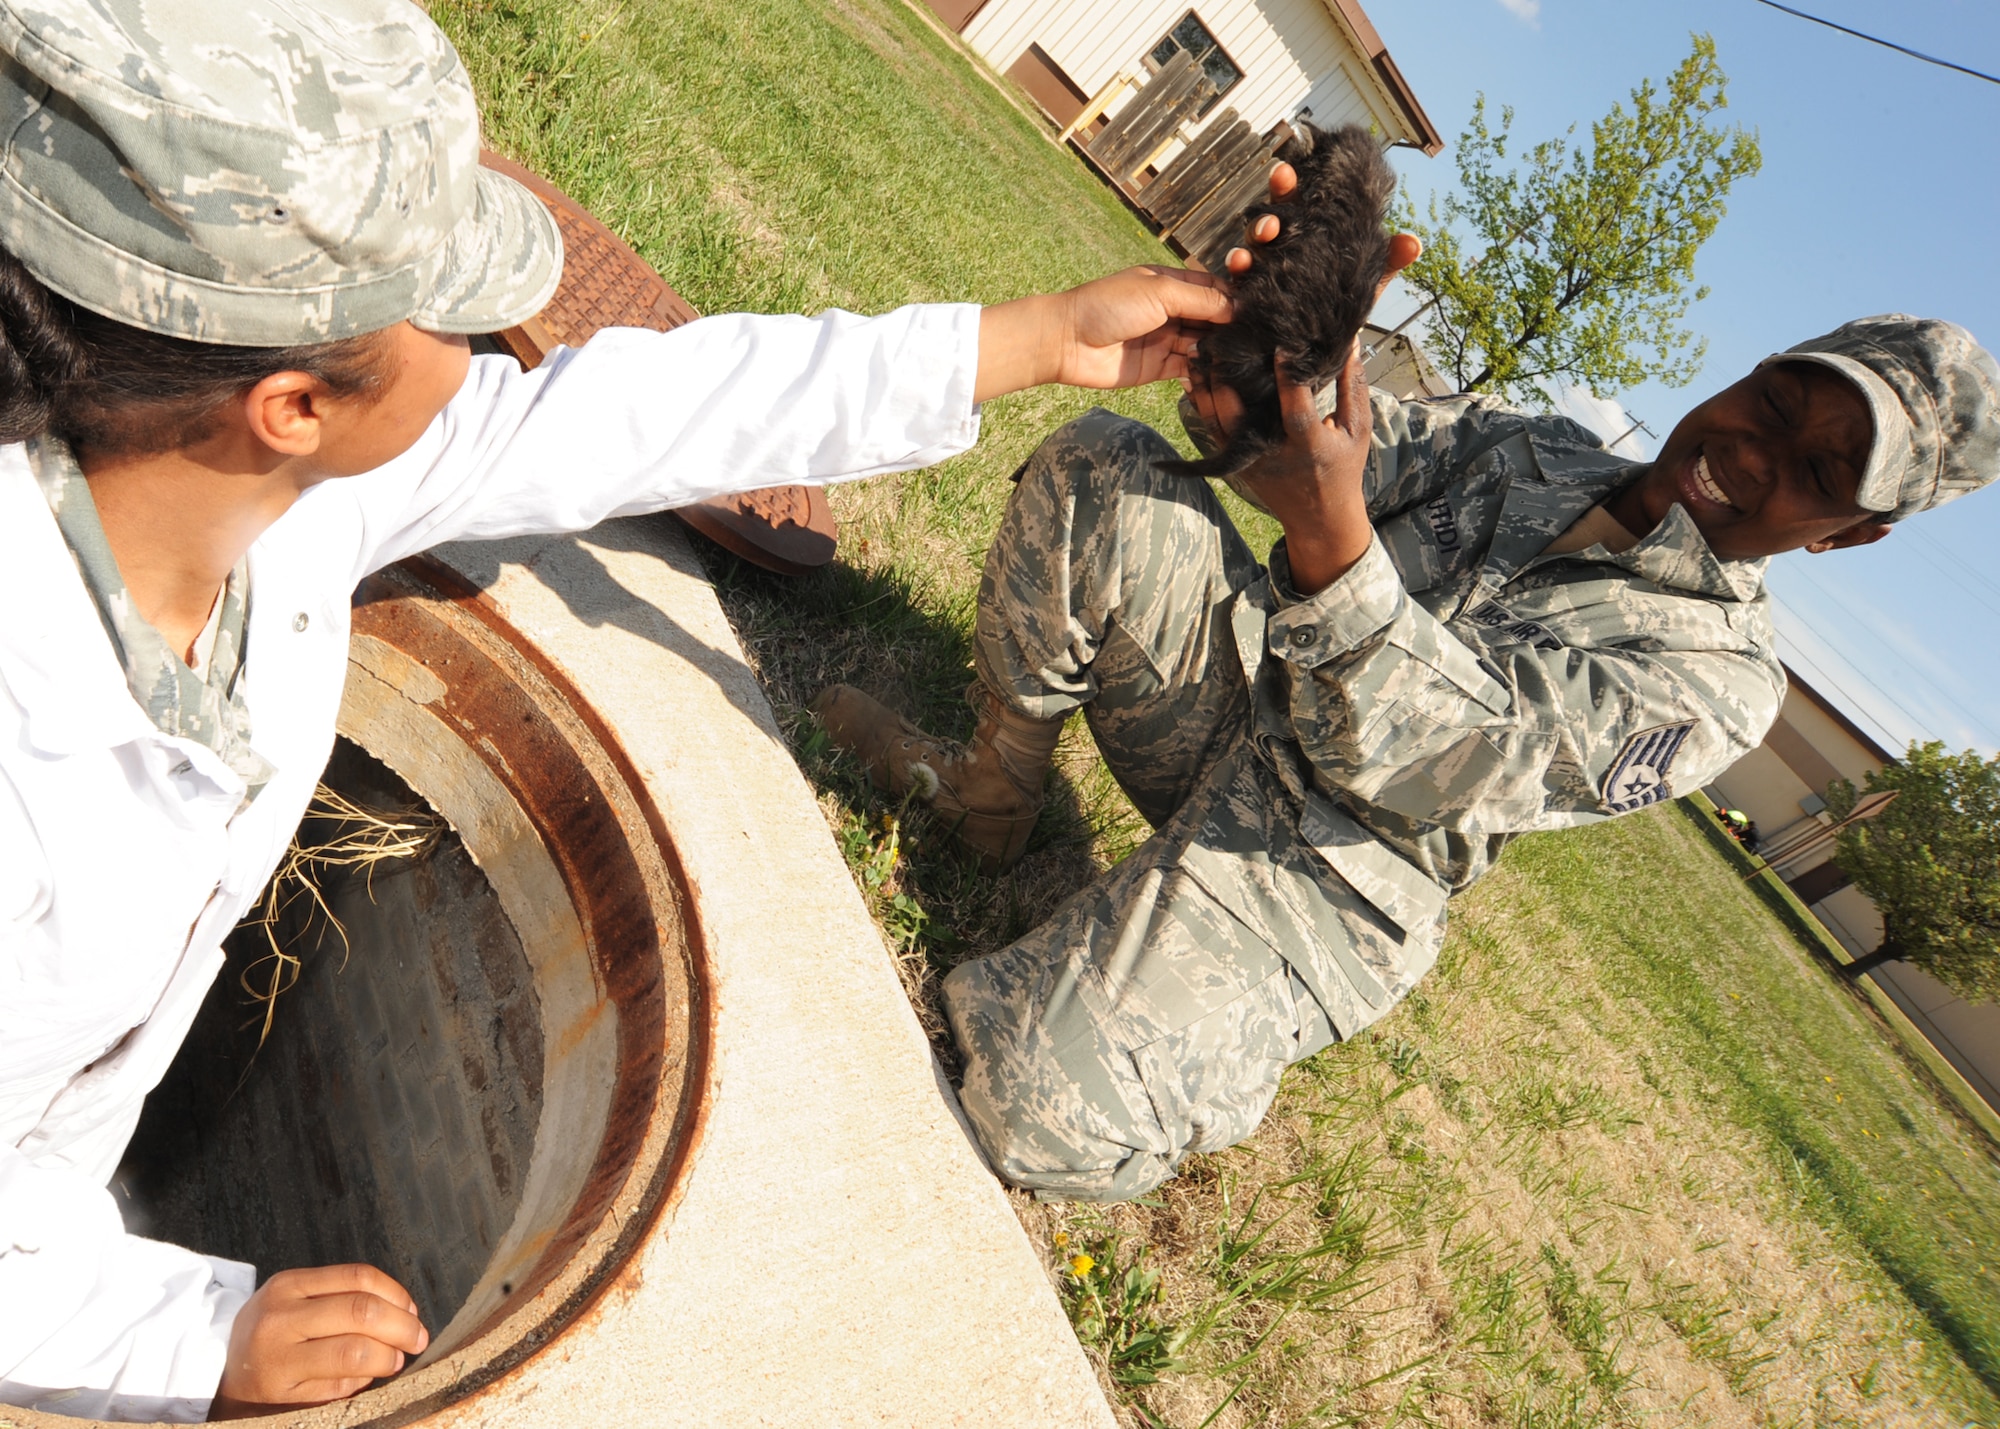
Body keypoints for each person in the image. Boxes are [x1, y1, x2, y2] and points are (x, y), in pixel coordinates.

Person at [0, 0, 1239, 1419]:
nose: (482, 345)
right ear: (290, 401)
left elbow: (623, 417)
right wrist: (188, 1338)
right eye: (440, 311)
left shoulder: (244, 486)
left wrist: (1029, 340)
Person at [818, 166, 2000, 1203]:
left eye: (1816, 471)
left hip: (1333, 869)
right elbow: (1332, 447)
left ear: (1847, 536)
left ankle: (1207, 1031)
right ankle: (989, 802)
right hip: (1239, 705)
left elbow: (1458, 757)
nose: (1752, 452)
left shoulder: (1720, 681)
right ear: (1753, 370)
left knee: (1035, 1107)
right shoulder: (1531, 445)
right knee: (1105, 463)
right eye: (1776, 405)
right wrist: (1289, 344)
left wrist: (1330, 541)